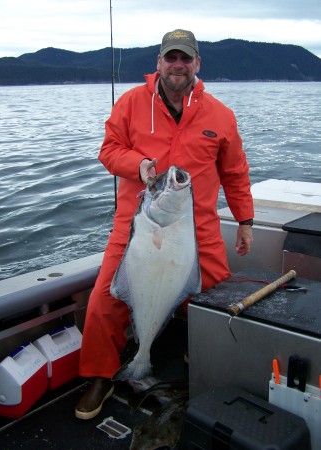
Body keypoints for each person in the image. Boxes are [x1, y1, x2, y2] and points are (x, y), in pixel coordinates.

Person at [75, 29, 254, 420]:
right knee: (104, 304)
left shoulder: (220, 115)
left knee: (218, 303)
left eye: (185, 58)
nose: (178, 65)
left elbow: (236, 172)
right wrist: (136, 165)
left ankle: (202, 357)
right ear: (158, 62)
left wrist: (244, 219)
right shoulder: (131, 103)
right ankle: (101, 376)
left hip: (198, 230)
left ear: (197, 64)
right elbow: (109, 151)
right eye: (170, 58)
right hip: (137, 224)